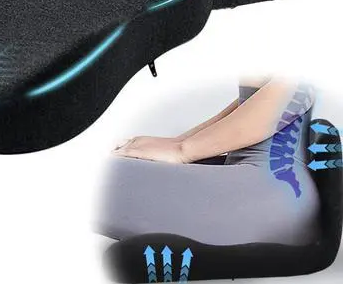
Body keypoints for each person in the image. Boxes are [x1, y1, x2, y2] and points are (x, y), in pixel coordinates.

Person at [97, 78, 319, 246]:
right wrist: (177, 142)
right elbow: (251, 104)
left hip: (267, 195)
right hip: (267, 191)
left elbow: (295, 86)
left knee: (93, 175)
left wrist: (181, 151)